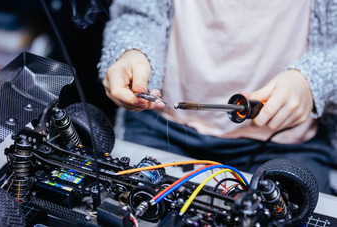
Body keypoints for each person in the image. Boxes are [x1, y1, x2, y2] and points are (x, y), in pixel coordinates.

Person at [98, 0, 337, 194]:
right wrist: (133, 50)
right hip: (162, 128)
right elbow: (136, 14)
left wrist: (313, 80)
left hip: (288, 146)